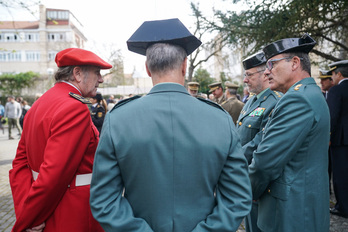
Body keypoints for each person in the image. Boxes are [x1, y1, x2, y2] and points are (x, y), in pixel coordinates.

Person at [90, 18, 252, 232]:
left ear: (147, 68)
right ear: (185, 66)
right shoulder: (219, 119)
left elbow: (104, 200)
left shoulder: (119, 118)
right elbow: (237, 197)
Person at [9, 48, 112, 232]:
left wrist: (26, 209)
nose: (101, 79)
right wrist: (31, 217)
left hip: (46, 208)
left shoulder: (39, 104)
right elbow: (54, 174)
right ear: (77, 73)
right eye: (97, 72)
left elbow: (20, 165)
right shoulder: (74, 107)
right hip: (71, 212)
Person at [249, 34, 330, 232]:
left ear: (294, 63)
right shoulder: (308, 94)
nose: (267, 72)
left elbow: (265, 162)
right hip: (301, 203)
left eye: (272, 64)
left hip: (291, 211)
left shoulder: (297, 100)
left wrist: (246, 190)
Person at [236, 51, 282, 232]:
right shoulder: (251, 101)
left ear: (265, 74)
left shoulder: (275, 102)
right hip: (245, 175)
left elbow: (260, 142)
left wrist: (230, 158)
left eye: (248, 75)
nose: (245, 80)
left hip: (260, 182)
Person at [327, 60, 348, 218]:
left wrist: (328, 136)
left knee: (341, 176)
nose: (331, 77)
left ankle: (343, 207)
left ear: (339, 74)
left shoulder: (336, 91)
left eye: (333, 74)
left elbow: (332, 117)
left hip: (341, 140)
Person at [318, 69, 334, 195]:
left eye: (324, 79)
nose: (321, 82)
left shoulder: (335, 93)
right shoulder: (321, 95)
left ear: (331, 80)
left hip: (335, 139)